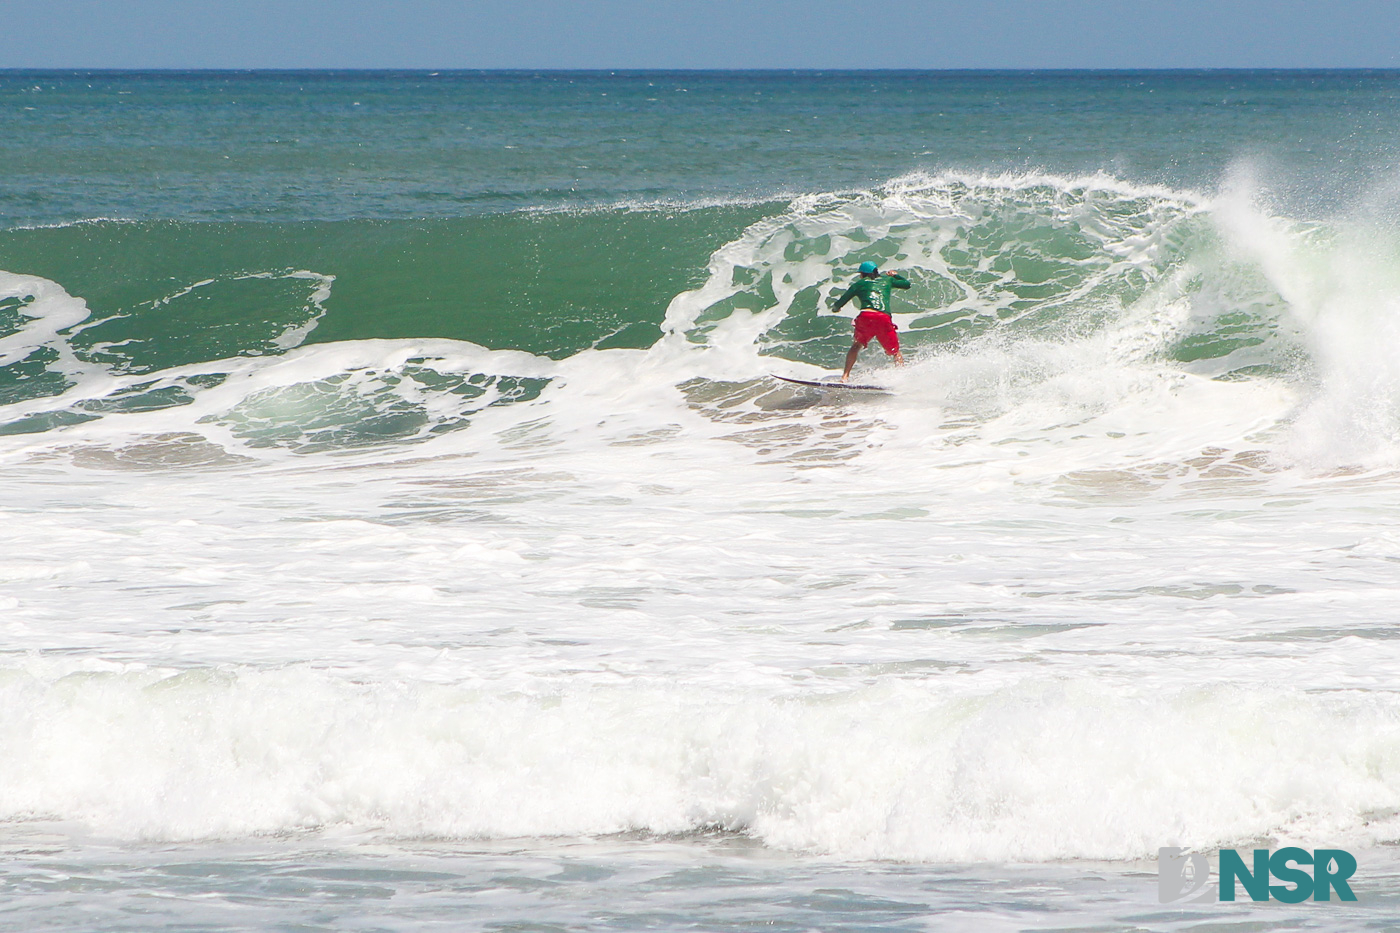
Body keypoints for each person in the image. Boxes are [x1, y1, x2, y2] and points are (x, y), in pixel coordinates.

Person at [830, 260, 909, 382]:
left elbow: (841, 302)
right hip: (883, 317)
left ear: (862, 274)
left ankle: (845, 377)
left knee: (856, 346)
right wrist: (895, 275)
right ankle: (902, 378)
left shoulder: (859, 284)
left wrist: (836, 308)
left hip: (866, 316)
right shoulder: (887, 280)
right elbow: (906, 284)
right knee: (895, 352)